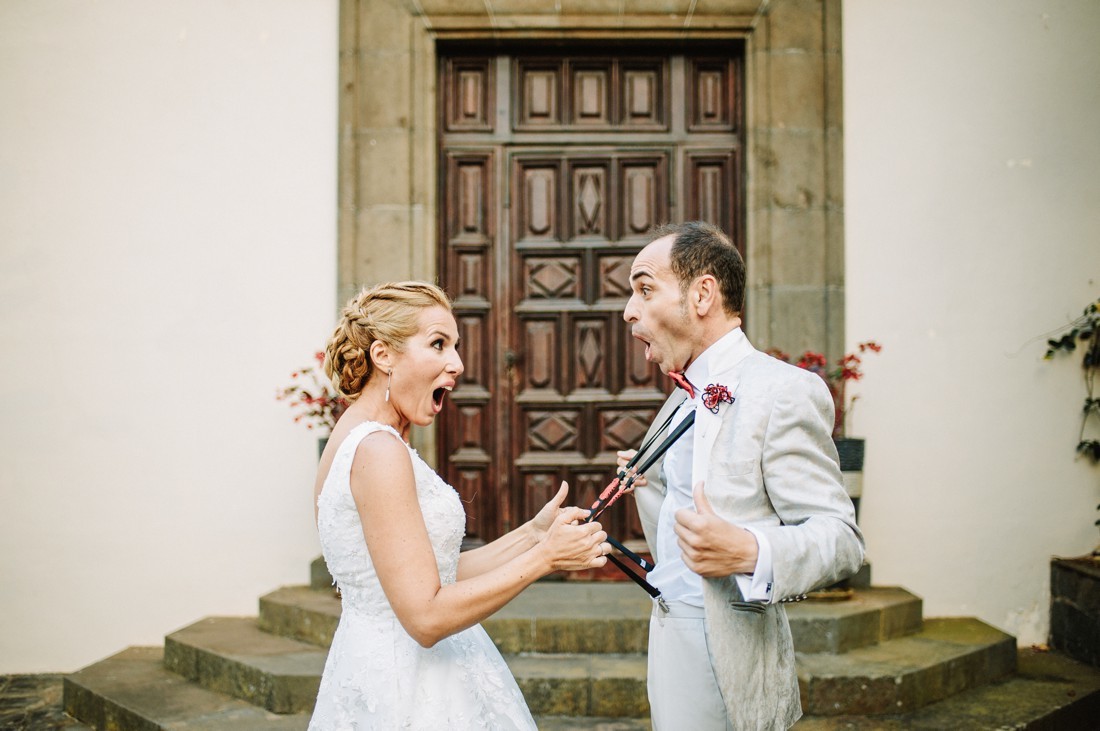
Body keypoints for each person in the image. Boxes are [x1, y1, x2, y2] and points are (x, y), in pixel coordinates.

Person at [308, 281, 610, 730]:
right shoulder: (378, 450)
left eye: (455, 345)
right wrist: (546, 559)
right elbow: (426, 617)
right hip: (409, 687)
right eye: (438, 344)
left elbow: (433, 574)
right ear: (383, 356)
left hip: (374, 665)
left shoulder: (353, 435)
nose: (457, 363)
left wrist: (533, 534)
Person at [616, 222, 865, 730]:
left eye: (645, 289)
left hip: (734, 653)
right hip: (669, 638)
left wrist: (751, 552)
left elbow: (841, 538)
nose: (629, 311)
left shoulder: (784, 391)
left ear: (703, 293)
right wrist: (649, 485)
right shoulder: (676, 399)